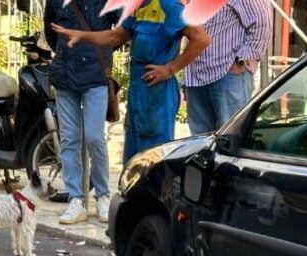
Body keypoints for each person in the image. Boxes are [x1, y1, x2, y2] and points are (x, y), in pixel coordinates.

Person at [52, 0, 210, 165]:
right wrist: (82, 35)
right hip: (138, 89)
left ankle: (156, 189)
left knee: (154, 156)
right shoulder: (139, 7)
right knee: (134, 157)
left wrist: (169, 69)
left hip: (157, 92)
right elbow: (115, 36)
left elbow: (202, 39)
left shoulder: (169, 5)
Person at [44, 0, 118, 225]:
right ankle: (76, 198)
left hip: (95, 75)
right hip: (65, 74)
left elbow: (122, 32)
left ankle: (103, 196)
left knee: (95, 137)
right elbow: (51, 31)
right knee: (69, 139)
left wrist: (101, 51)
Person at [183, 0, 272, 135]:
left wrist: (241, 61)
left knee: (231, 138)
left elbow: (263, 23)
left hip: (227, 74)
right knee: (199, 143)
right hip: (195, 76)